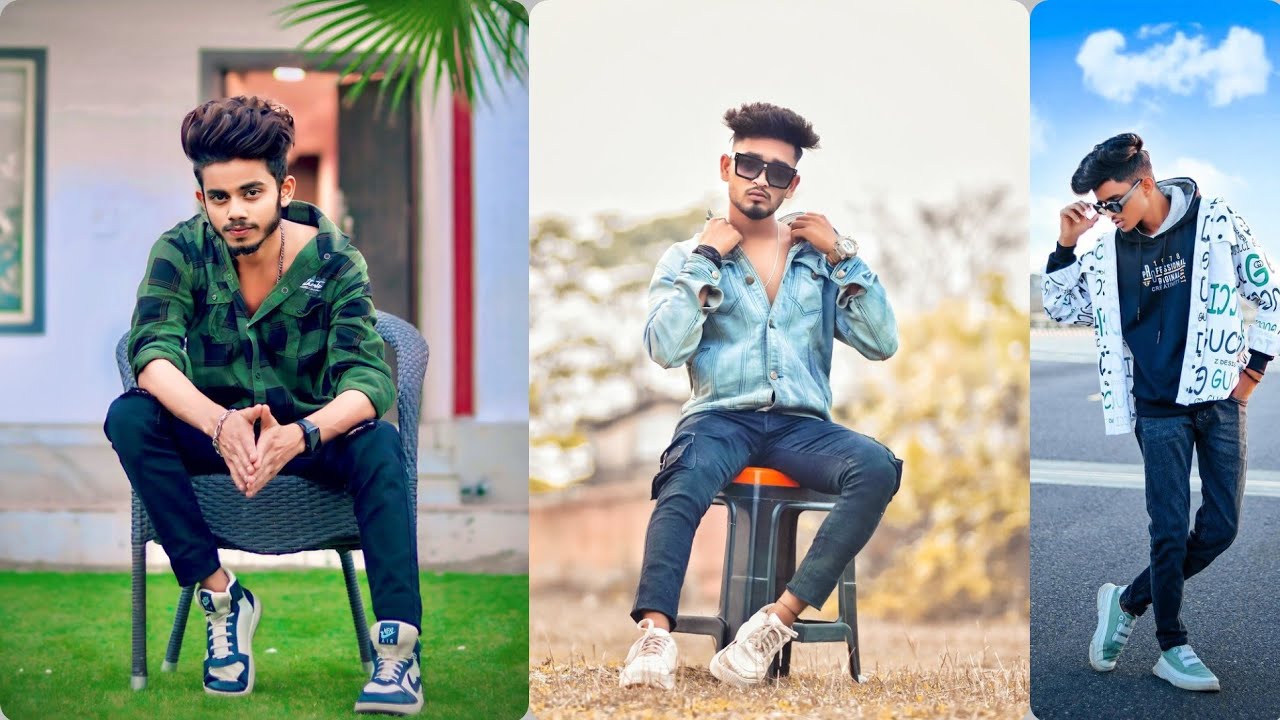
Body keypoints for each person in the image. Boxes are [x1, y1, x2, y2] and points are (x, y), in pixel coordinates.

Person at [103, 96, 423, 715]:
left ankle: (397, 650)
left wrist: (301, 434)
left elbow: (368, 380)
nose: (236, 212)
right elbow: (152, 354)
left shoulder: (334, 261)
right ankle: (222, 598)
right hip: (214, 435)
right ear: (201, 199)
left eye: (251, 193)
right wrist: (219, 424)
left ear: (284, 186)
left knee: (379, 442)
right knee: (131, 415)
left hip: (307, 438)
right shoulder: (180, 251)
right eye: (219, 198)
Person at [620, 101, 902, 690]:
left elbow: (881, 342)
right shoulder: (684, 257)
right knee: (685, 479)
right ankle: (653, 636)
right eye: (750, 165)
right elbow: (666, 349)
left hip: (802, 425)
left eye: (778, 172)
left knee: (877, 466)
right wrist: (706, 260)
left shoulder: (816, 263)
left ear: (792, 185)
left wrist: (841, 254)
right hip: (719, 419)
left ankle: (773, 624)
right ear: (728, 166)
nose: (760, 181)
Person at [1042, 132, 1280, 692]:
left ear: (1145, 184)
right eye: (1099, 206)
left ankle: (1126, 601)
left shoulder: (1214, 218)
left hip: (1220, 399)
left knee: (1220, 528)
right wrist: (1066, 244)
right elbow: (1058, 304)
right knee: (1169, 530)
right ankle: (1172, 645)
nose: (1108, 214)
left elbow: (1268, 294)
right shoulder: (1104, 249)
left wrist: (1250, 377)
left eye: (1114, 202)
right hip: (1156, 409)